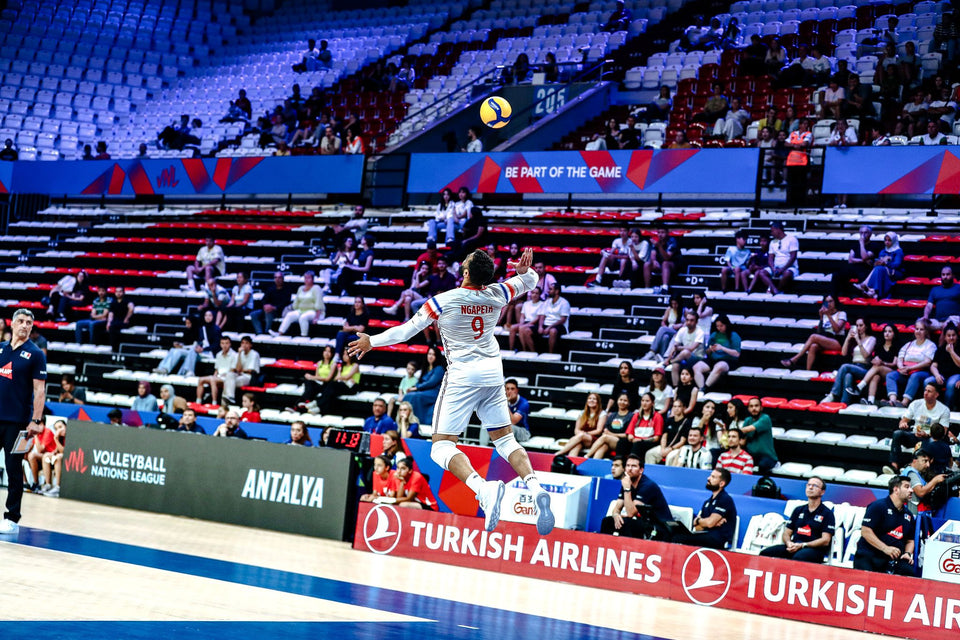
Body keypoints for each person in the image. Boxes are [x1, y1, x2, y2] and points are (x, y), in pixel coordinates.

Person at [347, 247, 555, 535]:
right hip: (493, 374)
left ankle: (483, 489)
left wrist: (372, 341)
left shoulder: (443, 301)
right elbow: (531, 280)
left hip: (462, 376)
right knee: (505, 440)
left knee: (441, 446)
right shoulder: (498, 293)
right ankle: (536, 488)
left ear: (466, 273)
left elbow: (406, 331)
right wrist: (523, 271)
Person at [0, 309, 47, 534]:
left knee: (13, 469)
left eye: (29, 322)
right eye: (20, 321)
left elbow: (40, 391)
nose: (25, 325)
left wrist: (36, 420)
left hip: (17, 423)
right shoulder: (1, 349)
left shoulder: (35, 354)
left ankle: (12, 519)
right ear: (12, 324)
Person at [760, 476, 836, 563]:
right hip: (795, 546)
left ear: (822, 492)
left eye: (815, 485)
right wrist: (789, 543)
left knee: (798, 557)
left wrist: (803, 545)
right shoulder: (798, 510)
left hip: (814, 550)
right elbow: (786, 533)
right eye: (808, 485)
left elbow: (825, 540)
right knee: (765, 553)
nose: (810, 487)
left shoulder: (827, 513)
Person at [853, 477, 916, 575]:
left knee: (908, 571)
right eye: (907, 487)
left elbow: (910, 541)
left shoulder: (909, 515)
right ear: (896, 489)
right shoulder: (878, 506)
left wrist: (907, 554)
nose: (911, 490)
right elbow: (865, 531)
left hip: (893, 559)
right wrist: (885, 548)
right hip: (871, 555)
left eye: (911, 487)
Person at [885, 382, 951, 474]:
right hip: (914, 435)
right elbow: (903, 420)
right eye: (925, 390)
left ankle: (911, 468)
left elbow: (943, 432)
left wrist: (927, 434)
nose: (926, 393)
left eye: (929, 391)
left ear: (936, 395)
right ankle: (894, 466)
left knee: (927, 444)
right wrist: (903, 424)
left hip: (931, 439)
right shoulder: (916, 404)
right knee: (897, 434)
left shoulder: (944, 410)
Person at [600, 454, 672, 538]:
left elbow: (631, 513)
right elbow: (617, 508)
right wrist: (616, 515)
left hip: (660, 526)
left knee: (628, 524)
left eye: (634, 466)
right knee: (608, 521)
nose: (630, 469)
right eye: (628, 466)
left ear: (641, 470)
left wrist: (627, 489)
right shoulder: (627, 482)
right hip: (645, 523)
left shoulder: (647, 485)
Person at [673, 468, 737, 550]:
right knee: (676, 535)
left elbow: (709, 523)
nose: (708, 478)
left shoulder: (725, 499)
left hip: (718, 539)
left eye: (713, 477)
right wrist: (705, 522)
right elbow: (697, 528)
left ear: (721, 484)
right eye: (710, 475)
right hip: (706, 535)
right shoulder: (707, 502)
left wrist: (700, 521)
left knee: (679, 538)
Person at [780, 296, 847, 371]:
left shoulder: (841, 314)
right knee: (813, 346)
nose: (828, 303)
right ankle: (808, 371)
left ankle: (795, 359)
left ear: (835, 302)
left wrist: (829, 316)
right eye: (826, 302)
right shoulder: (825, 315)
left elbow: (837, 330)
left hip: (838, 342)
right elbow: (819, 332)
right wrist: (821, 317)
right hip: (827, 339)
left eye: (831, 301)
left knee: (813, 336)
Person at [822, 318, 876, 404]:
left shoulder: (872, 339)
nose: (858, 328)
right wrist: (847, 338)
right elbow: (843, 353)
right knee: (848, 375)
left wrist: (858, 340)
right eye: (857, 325)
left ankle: (833, 394)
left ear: (866, 327)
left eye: (861, 325)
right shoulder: (854, 340)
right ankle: (844, 403)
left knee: (844, 366)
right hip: (854, 367)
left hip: (865, 368)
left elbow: (866, 355)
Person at [885, 320, 937, 407]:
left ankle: (904, 402)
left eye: (921, 329)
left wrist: (910, 368)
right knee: (890, 375)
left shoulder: (930, 345)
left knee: (915, 376)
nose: (918, 331)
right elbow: (900, 357)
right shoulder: (909, 344)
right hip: (906, 370)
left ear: (926, 331)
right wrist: (901, 367)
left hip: (921, 371)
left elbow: (927, 362)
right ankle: (892, 400)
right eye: (917, 329)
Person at [693, 314, 740, 392]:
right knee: (696, 367)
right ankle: (701, 388)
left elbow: (737, 353)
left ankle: (706, 388)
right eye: (717, 326)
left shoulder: (734, 335)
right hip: (713, 359)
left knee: (719, 366)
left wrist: (722, 348)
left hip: (728, 360)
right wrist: (710, 350)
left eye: (721, 326)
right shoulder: (714, 335)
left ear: (726, 325)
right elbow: (707, 352)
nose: (719, 328)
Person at [832, 226, 881, 298]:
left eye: (865, 233)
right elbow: (851, 260)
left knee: (863, 277)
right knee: (837, 274)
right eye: (861, 233)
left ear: (870, 234)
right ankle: (833, 296)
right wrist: (863, 261)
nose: (863, 235)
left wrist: (861, 244)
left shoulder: (874, 245)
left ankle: (862, 296)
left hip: (866, 268)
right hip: (854, 267)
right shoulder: (854, 245)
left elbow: (864, 256)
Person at [403, 346, 446, 427]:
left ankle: (417, 422)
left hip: (433, 393)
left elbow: (431, 383)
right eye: (429, 354)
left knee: (416, 396)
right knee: (408, 396)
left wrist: (416, 388)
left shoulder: (439, 369)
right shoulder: (425, 368)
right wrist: (414, 387)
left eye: (433, 354)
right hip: (424, 391)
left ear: (437, 356)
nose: (430, 356)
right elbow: (420, 382)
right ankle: (406, 421)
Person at [273, 271, 324, 337]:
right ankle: (280, 333)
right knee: (289, 315)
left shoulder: (316, 288)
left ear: (312, 279)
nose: (306, 280)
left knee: (303, 317)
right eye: (305, 278)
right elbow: (296, 303)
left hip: (314, 311)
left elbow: (319, 303)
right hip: (301, 310)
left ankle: (304, 336)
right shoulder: (300, 288)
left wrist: (316, 317)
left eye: (308, 278)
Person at [555, 392, 605, 457]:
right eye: (590, 398)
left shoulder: (602, 413)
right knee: (576, 446)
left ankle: (559, 453)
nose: (591, 400)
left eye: (594, 399)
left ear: (598, 402)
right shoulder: (582, 413)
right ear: (587, 401)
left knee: (581, 436)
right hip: (581, 438)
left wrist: (585, 434)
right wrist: (582, 434)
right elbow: (576, 430)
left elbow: (599, 431)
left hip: (594, 440)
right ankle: (570, 463)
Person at [755, 221, 798, 295]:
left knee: (787, 274)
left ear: (778, 229)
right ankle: (774, 290)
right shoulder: (772, 242)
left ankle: (779, 289)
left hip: (789, 267)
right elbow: (770, 258)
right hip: (776, 267)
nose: (771, 233)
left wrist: (782, 269)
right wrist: (773, 268)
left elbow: (793, 257)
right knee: (761, 273)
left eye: (772, 231)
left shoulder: (792, 239)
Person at [856, 232, 904, 300]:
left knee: (879, 269)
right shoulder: (883, 251)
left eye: (889, 240)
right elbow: (879, 261)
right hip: (883, 270)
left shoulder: (898, 251)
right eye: (885, 240)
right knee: (878, 268)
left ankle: (866, 286)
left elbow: (897, 265)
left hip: (896, 272)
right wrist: (877, 263)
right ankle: (872, 292)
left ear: (894, 241)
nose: (887, 242)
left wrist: (886, 263)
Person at [664, 311, 705, 387]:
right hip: (684, 358)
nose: (689, 322)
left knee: (685, 352)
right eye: (687, 320)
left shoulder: (700, 332)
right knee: (675, 365)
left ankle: (671, 362)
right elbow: (674, 346)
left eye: (692, 320)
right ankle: (676, 387)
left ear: (696, 322)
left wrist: (679, 349)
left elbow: (692, 348)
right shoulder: (682, 330)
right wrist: (669, 357)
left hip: (698, 359)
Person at [316, 349, 361, 416]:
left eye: (346, 354)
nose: (344, 356)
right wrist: (340, 373)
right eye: (343, 354)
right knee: (331, 392)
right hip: (342, 385)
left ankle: (318, 404)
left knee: (333, 386)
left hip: (351, 388)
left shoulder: (355, 365)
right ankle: (324, 411)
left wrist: (342, 377)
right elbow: (336, 378)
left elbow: (346, 377)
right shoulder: (342, 366)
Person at [645, 399, 690, 464]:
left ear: (684, 408)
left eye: (679, 406)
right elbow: (664, 437)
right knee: (650, 453)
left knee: (670, 457)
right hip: (666, 446)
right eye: (674, 406)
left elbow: (682, 441)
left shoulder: (686, 422)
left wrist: (670, 449)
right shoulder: (669, 420)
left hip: (677, 448)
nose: (676, 409)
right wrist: (663, 449)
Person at [926, 323, 960, 409]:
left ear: (957, 336)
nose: (951, 338)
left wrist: (951, 352)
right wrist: (937, 375)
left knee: (951, 384)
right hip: (942, 375)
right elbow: (933, 366)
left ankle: (947, 408)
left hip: (956, 374)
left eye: (953, 335)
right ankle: (931, 407)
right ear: (945, 337)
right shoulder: (940, 349)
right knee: (928, 381)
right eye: (949, 335)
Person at [196, 336, 237, 406]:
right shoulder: (218, 354)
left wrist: (218, 377)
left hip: (227, 378)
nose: (224, 345)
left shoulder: (235, 355)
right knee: (201, 379)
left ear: (230, 344)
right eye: (223, 343)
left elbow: (233, 369)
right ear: (220, 344)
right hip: (218, 376)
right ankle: (198, 401)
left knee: (212, 380)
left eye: (226, 343)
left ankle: (214, 402)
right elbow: (217, 369)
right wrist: (215, 376)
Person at [741, 397, 778, 473]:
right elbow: (743, 441)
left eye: (756, 406)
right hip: (752, 456)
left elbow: (750, 428)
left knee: (763, 465)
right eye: (751, 406)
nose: (754, 408)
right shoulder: (747, 420)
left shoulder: (765, 418)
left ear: (761, 408)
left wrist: (732, 431)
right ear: (748, 409)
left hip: (768, 457)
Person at [644, 294, 684, 362]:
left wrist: (680, 325)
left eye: (676, 304)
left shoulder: (685, 310)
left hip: (678, 332)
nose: (674, 305)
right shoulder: (669, 309)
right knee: (665, 336)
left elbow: (687, 324)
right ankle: (663, 357)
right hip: (669, 329)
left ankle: (652, 351)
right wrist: (666, 327)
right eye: (672, 304)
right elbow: (663, 322)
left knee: (662, 329)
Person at [223, 336, 260, 406]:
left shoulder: (254, 354)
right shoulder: (238, 354)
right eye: (242, 343)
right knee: (229, 375)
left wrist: (240, 371)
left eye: (246, 343)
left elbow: (250, 370)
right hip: (239, 375)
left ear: (250, 345)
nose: (244, 345)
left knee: (228, 383)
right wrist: (239, 354)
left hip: (249, 377)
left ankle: (225, 403)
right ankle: (230, 397)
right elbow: (237, 368)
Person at [922, 266, 960, 331]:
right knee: (920, 323)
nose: (945, 277)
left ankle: (940, 341)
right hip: (938, 321)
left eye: (948, 274)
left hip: (954, 319)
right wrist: (925, 316)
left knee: (947, 325)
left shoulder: (958, 288)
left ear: (953, 276)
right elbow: (929, 305)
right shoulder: (935, 290)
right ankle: (927, 341)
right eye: (943, 274)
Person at [536, 282, 570, 354]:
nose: (548, 291)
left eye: (550, 289)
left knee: (552, 331)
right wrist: (540, 326)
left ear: (557, 291)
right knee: (527, 330)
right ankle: (534, 353)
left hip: (559, 325)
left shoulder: (564, 303)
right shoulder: (547, 302)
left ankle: (551, 354)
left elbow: (563, 319)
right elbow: (542, 316)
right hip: (546, 324)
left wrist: (549, 327)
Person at [644, 226, 679, 291]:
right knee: (647, 264)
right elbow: (653, 253)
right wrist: (654, 261)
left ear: (667, 233)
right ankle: (647, 288)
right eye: (659, 232)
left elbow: (667, 257)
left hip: (674, 264)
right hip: (660, 263)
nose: (660, 235)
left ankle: (665, 287)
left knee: (665, 263)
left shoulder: (672, 241)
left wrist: (659, 246)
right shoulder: (656, 240)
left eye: (662, 232)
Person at [510, 286, 544, 352]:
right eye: (533, 293)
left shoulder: (542, 304)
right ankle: (511, 349)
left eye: (537, 293)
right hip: (526, 322)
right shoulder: (526, 303)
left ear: (540, 295)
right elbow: (522, 316)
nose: (534, 295)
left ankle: (525, 349)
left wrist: (526, 325)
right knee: (512, 327)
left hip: (535, 323)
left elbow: (538, 318)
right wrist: (521, 323)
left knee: (522, 328)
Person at [106, 287, 135, 352]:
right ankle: (114, 347)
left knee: (113, 327)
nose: (118, 293)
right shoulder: (113, 302)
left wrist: (127, 318)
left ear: (123, 292)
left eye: (120, 291)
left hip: (124, 322)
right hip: (116, 322)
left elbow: (131, 309)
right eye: (117, 292)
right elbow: (111, 314)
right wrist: (108, 322)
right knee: (112, 326)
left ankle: (115, 349)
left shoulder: (127, 301)